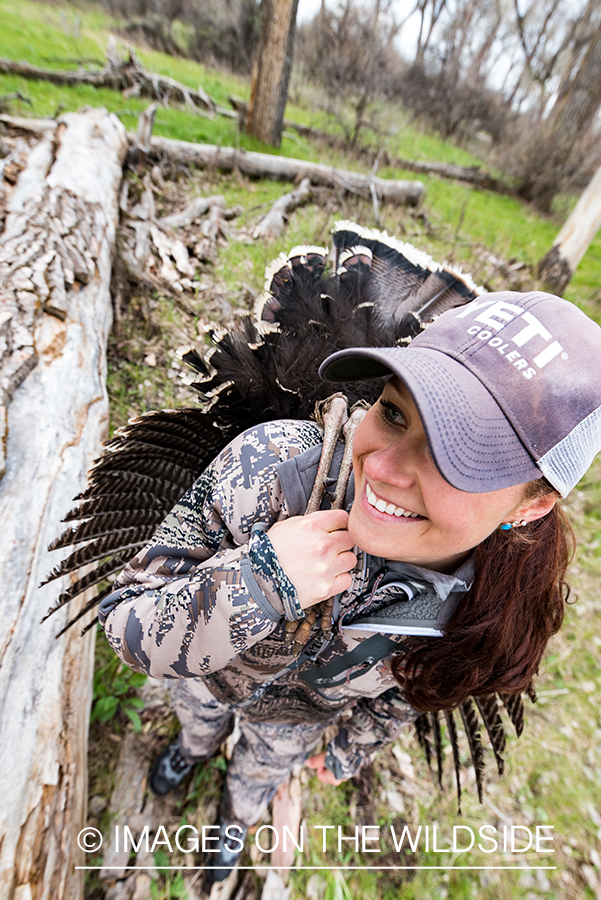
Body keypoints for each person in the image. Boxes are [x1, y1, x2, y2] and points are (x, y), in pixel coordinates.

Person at [99, 289, 601, 881]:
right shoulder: (271, 468)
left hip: (296, 724)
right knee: (198, 721)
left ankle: (233, 821)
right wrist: (259, 579)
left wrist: (348, 749)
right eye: (393, 413)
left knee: (260, 774)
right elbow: (126, 621)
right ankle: (192, 751)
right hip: (204, 682)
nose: (383, 469)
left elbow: (412, 694)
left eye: (455, 458)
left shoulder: (483, 608)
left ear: (535, 503)